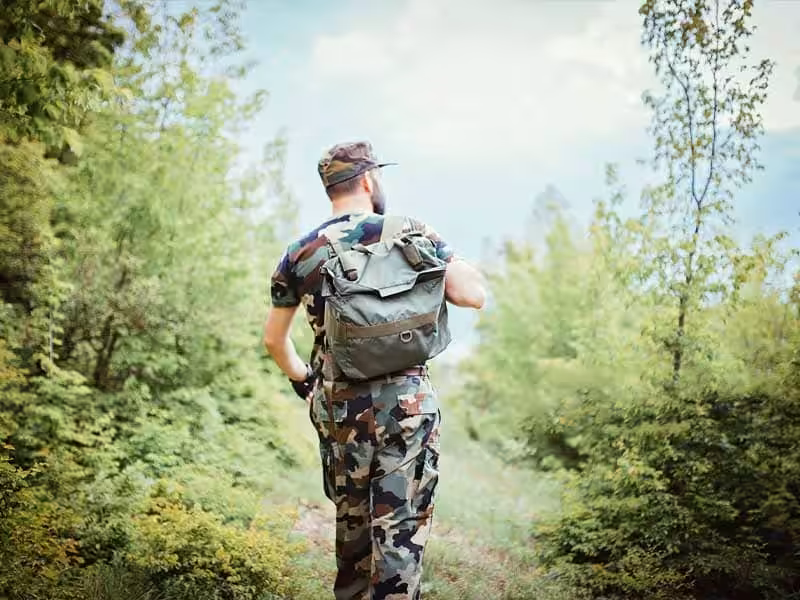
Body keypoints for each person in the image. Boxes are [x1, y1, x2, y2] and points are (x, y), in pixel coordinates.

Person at [264, 140, 486, 600]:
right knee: (400, 534)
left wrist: (304, 381)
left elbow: (274, 340)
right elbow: (471, 295)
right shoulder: (411, 233)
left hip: (340, 408)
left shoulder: (301, 252)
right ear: (368, 179)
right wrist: (456, 260)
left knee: (354, 532)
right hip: (407, 407)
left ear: (331, 188)